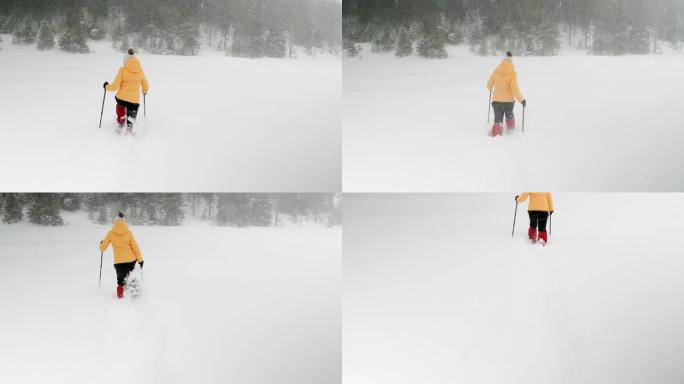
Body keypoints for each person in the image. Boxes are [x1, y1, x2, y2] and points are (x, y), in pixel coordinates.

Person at [99, 212, 144, 298]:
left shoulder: (111, 233)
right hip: (131, 260)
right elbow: (135, 248)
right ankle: (133, 289)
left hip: (119, 262)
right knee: (131, 275)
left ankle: (121, 297)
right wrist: (140, 260)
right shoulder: (128, 233)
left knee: (120, 282)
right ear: (124, 221)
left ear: (115, 221)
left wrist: (101, 244)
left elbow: (103, 248)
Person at [103, 48, 149, 131]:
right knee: (131, 117)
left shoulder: (122, 70)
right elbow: (146, 86)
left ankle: (121, 121)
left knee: (120, 106)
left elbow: (115, 86)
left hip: (122, 98)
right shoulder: (140, 71)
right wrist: (145, 91)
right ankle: (129, 129)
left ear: (125, 61)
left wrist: (106, 87)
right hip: (134, 101)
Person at [486, 51, 526, 137]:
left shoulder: (496, 70)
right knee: (509, 115)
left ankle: (496, 134)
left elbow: (489, 85)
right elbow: (515, 89)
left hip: (497, 101)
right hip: (509, 101)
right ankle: (511, 130)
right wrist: (521, 100)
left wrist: (491, 88)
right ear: (511, 61)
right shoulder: (512, 73)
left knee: (498, 119)